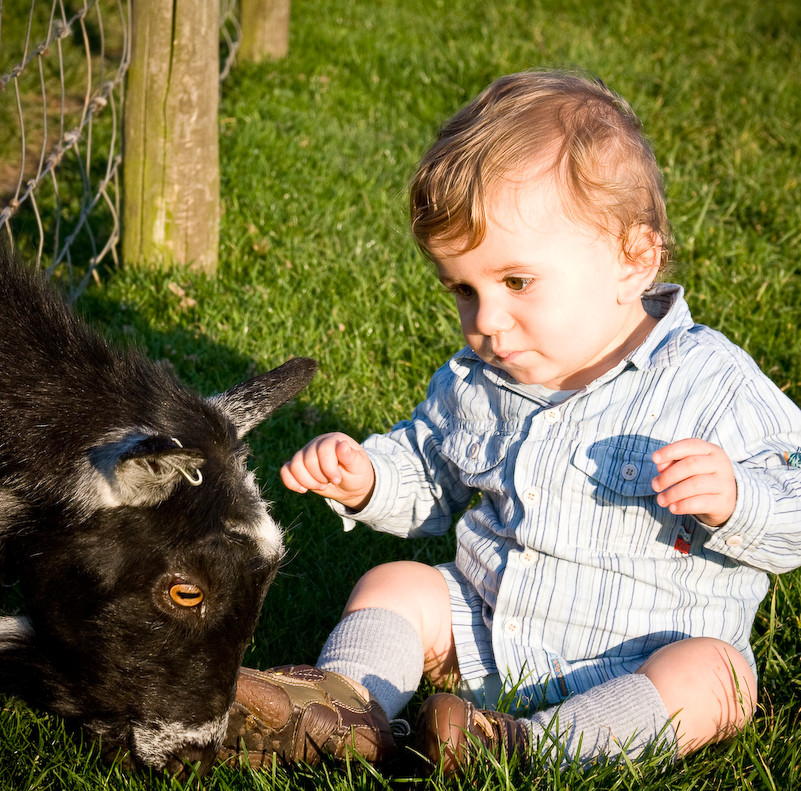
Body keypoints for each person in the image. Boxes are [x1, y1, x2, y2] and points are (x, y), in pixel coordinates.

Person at [218, 69, 801, 775]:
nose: (486, 321)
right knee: (397, 583)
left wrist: (740, 496)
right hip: (491, 630)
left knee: (717, 679)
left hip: (647, 655)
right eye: (463, 289)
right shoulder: (476, 381)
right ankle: (345, 708)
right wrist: (370, 474)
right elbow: (430, 473)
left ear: (632, 259)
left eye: (516, 282)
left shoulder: (712, 384)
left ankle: (531, 749)